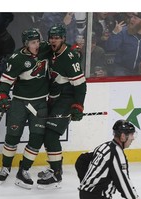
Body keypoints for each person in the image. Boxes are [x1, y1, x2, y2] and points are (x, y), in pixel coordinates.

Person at [0, 28, 50, 189]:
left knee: (36, 139)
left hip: (40, 103)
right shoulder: (17, 59)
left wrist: (74, 49)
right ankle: (6, 167)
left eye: (38, 42)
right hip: (20, 103)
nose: (37, 45)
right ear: (26, 44)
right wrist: (3, 97)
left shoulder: (45, 49)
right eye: (33, 43)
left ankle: (24, 170)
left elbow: (60, 46)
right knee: (12, 137)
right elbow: (5, 81)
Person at [36, 24, 87, 189]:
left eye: (57, 38)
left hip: (66, 99)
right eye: (51, 37)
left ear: (63, 39)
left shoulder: (70, 57)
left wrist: (78, 106)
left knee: (51, 135)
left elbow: (80, 85)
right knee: (46, 135)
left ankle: (56, 174)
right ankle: (53, 168)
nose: (53, 40)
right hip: (54, 98)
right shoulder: (51, 51)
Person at [76, 120, 141, 199]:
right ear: (123, 136)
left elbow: (82, 159)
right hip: (97, 198)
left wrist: (85, 184)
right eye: (131, 135)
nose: (133, 138)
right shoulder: (116, 153)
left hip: (86, 195)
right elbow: (123, 181)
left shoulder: (104, 146)